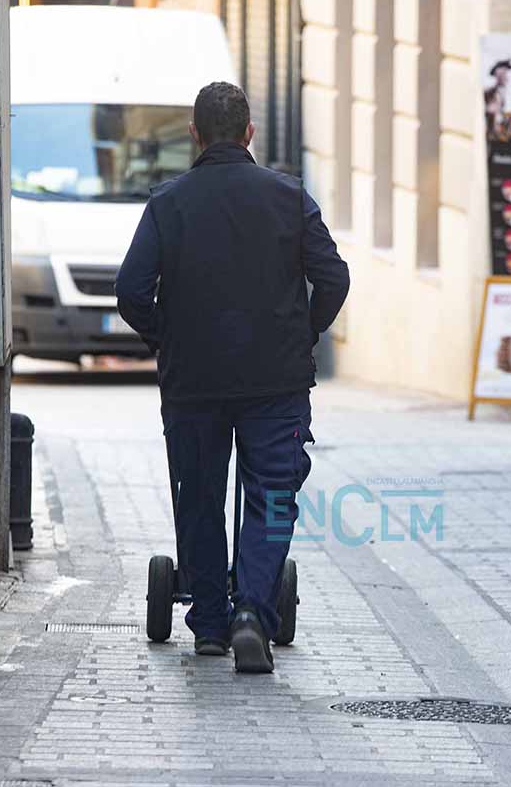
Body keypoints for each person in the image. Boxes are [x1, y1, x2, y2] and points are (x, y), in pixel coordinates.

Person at [114, 82, 350, 673]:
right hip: (276, 381)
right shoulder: (288, 197)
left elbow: (130, 292)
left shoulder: (169, 202)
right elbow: (335, 278)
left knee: (198, 494)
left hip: (194, 382)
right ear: (249, 133)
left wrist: (167, 338)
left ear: (195, 134)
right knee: (271, 496)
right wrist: (303, 335)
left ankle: (211, 627)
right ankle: (252, 612)